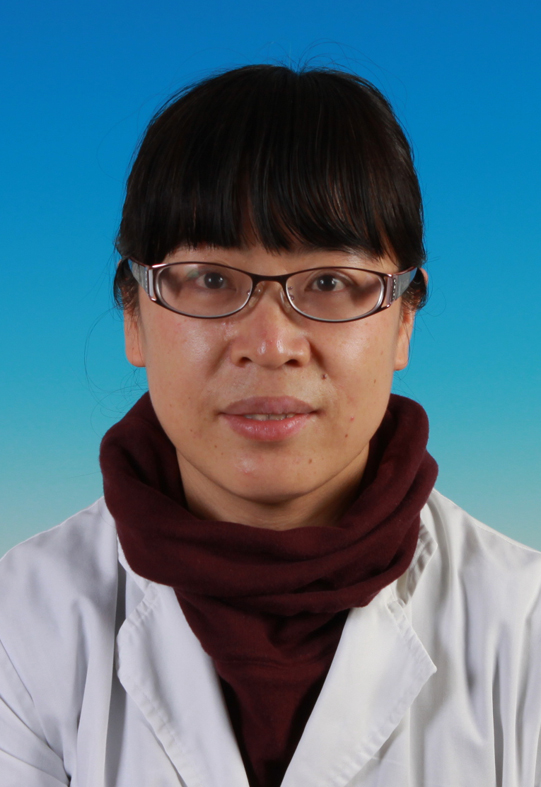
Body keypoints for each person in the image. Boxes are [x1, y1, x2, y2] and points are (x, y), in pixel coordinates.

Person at [0, 64, 540, 787]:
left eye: (329, 282)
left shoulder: (525, 628)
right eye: (210, 279)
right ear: (133, 315)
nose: (271, 343)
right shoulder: (19, 625)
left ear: (404, 321)